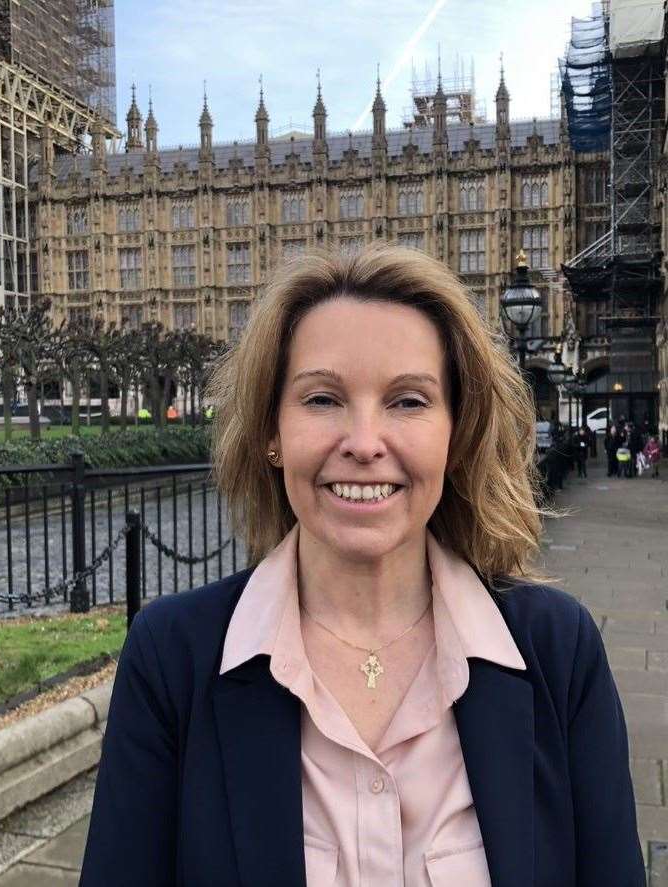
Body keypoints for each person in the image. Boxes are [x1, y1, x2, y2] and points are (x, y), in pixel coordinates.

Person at [79, 244, 644, 887]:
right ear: (271, 430)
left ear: (456, 434)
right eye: (322, 400)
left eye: (408, 401)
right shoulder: (172, 659)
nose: (365, 444)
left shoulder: (558, 652)